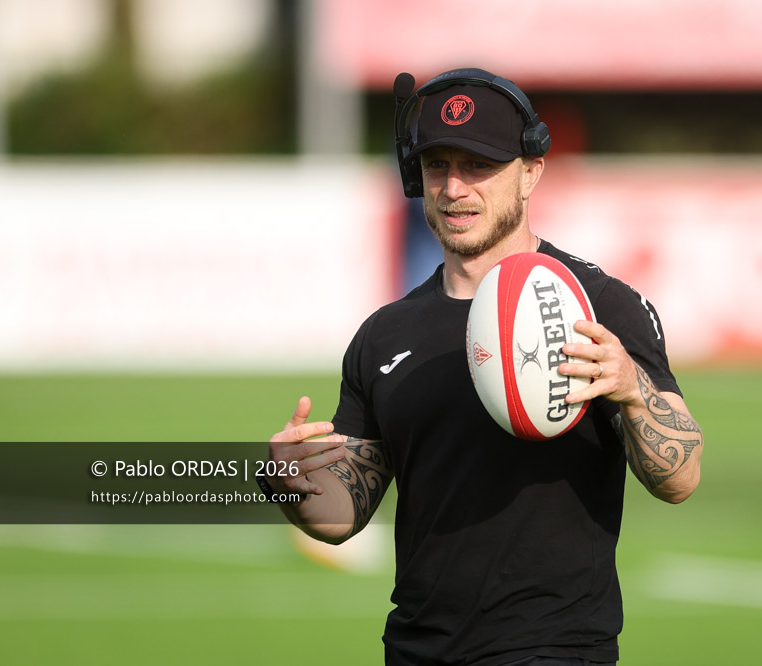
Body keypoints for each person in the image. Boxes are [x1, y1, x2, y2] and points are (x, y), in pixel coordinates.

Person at [261, 68, 704, 666]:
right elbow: (345, 515)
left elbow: (680, 479)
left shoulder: (598, 306)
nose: (454, 188)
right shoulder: (384, 335)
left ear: (530, 173)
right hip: (415, 650)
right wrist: (294, 484)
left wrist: (630, 387)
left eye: (479, 166)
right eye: (436, 165)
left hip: (555, 651)